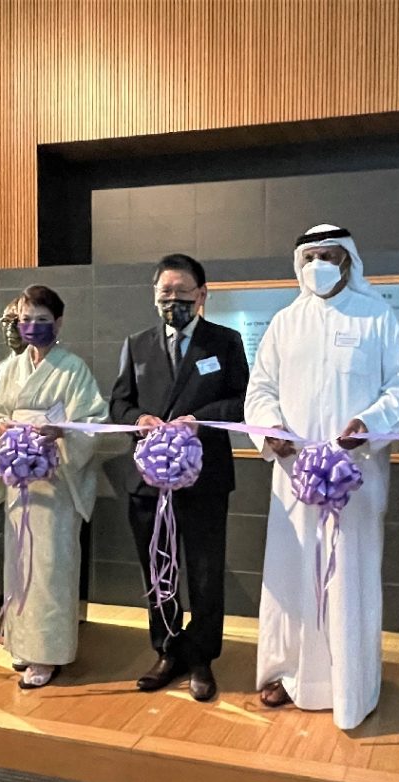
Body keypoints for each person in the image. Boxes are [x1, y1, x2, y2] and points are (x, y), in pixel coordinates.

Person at [244, 224, 399, 730]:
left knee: (349, 579)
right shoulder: (285, 322)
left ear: (349, 261)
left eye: (329, 255)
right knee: (291, 572)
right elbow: (261, 390)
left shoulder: (377, 317)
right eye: (310, 256)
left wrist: (369, 424)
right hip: (294, 477)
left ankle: (351, 685)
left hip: (354, 480)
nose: (318, 264)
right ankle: (287, 672)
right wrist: (269, 430)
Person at [109, 253, 249, 701]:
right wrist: (141, 418)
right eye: (165, 294)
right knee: (159, 570)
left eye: (182, 293)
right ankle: (167, 650)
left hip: (203, 478)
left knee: (206, 574)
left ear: (202, 296)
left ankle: (203, 658)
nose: (173, 301)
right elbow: (118, 406)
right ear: (154, 298)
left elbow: (244, 402)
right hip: (150, 482)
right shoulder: (137, 344)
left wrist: (200, 419)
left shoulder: (225, 342)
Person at [0, 285, 107, 689]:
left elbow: (90, 422)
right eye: (25, 319)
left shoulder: (74, 369)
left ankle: (50, 652)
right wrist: (2, 431)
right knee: (19, 562)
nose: (31, 327)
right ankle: (22, 644)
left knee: (51, 566)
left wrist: (59, 434)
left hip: (56, 482)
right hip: (19, 481)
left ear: (58, 323)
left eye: (41, 320)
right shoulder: (8, 369)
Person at [0, 298, 27, 607]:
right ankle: (2, 599)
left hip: (36, 462)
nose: (11, 329)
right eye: (6, 322)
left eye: (18, 321)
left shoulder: (58, 366)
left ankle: (29, 599)